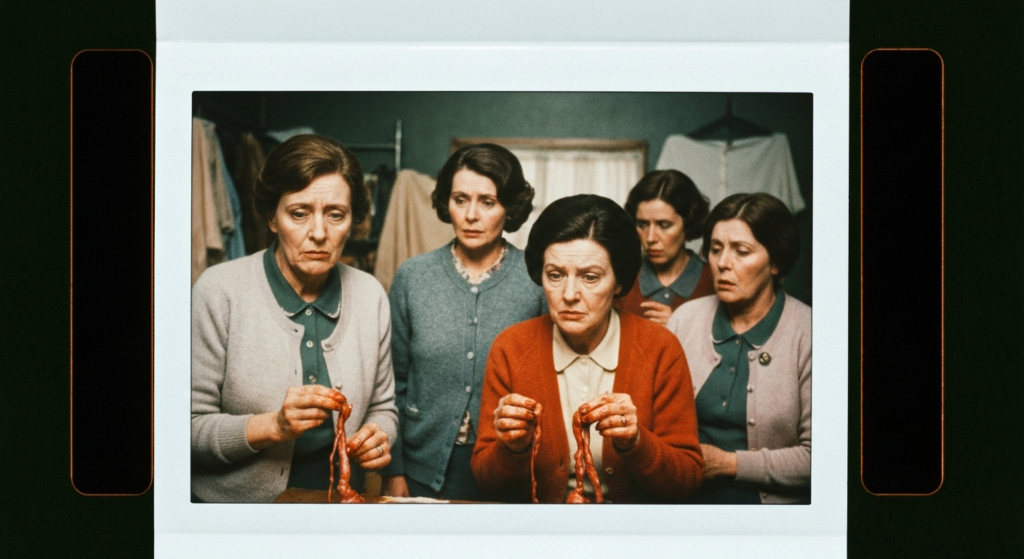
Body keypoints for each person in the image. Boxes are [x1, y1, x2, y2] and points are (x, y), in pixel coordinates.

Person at [191, 134, 398, 503]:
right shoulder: (219, 291)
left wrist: (379, 435)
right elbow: (185, 430)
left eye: (336, 214)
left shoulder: (370, 296)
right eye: (299, 213)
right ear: (272, 217)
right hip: (239, 514)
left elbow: (384, 407)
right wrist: (273, 425)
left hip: (339, 502)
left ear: (352, 221)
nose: (318, 233)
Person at [471, 194, 704, 503]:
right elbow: (485, 481)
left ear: (619, 281)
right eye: (555, 275)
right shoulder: (511, 348)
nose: (569, 294)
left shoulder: (660, 349)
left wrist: (636, 442)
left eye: (590, 277)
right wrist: (511, 448)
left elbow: (688, 481)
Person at [381, 144, 547, 501]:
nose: (472, 215)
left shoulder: (536, 281)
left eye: (487, 202)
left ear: (509, 207)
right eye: (460, 199)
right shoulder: (413, 277)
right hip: (419, 470)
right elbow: (391, 383)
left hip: (509, 471)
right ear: (446, 203)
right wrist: (393, 471)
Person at [666, 192, 810, 504]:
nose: (722, 263)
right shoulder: (685, 320)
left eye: (741, 251)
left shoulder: (809, 333)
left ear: (775, 261)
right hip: (686, 505)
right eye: (715, 250)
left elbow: (822, 459)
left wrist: (728, 464)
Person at [616, 169, 715, 325]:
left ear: (688, 224)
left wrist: (680, 326)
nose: (650, 238)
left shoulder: (715, 282)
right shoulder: (620, 282)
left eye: (664, 225)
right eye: (642, 224)